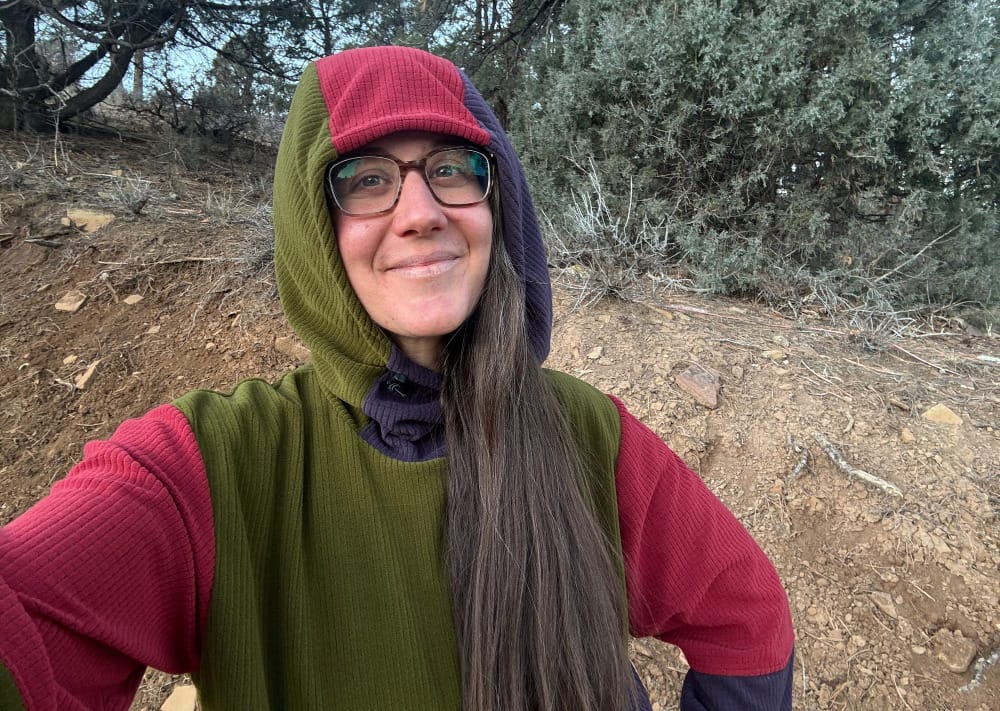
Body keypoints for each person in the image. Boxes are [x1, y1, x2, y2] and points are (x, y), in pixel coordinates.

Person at [0, 46, 794, 710]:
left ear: (498, 202)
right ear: (313, 228)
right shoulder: (211, 467)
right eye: (368, 178)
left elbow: (745, 617)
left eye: (454, 167)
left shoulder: (589, 432)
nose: (421, 210)